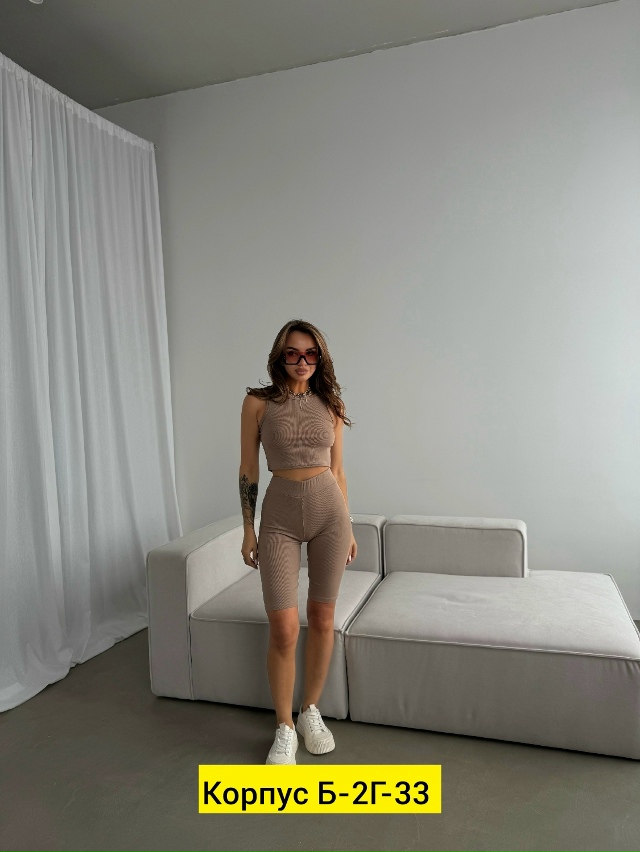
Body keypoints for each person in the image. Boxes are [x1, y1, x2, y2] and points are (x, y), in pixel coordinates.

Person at [239, 319, 357, 765]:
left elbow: (338, 470)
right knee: (284, 627)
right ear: (280, 356)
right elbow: (248, 469)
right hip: (279, 520)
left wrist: (348, 526)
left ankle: (309, 711)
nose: (302, 361)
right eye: (293, 353)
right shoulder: (257, 403)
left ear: (320, 357)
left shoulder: (331, 404)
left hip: (330, 517)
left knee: (323, 618)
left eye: (310, 353)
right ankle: (284, 727)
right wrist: (248, 528)